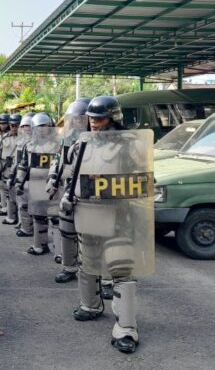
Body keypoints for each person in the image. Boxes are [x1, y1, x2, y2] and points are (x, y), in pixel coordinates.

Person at [61, 96, 154, 354]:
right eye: (90, 118)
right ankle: (90, 305)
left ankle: (126, 327)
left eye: (99, 118)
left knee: (121, 267)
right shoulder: (82, 143)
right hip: (88, 213)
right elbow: (72, 173)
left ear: (113, 118)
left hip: (118, 215)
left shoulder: (130, 145)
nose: (93, 123)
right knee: (88, 262)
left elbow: (144, 181)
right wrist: (67, 196)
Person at [46, 98, 90, 283]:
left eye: (81, 119)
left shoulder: (99, 141)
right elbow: (57, 160)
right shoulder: (67, 139)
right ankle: (69, 267)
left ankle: (101, 276)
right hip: (68, 191)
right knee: (66, 230)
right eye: (75, 119)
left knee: (90, 237)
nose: (77, 123)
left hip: (89, 193)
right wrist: (52, 178)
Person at [15, 112, 59, 256]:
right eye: (38, 127)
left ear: (50, 126)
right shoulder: (30, 146)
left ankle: (60, 252)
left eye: (44, 126)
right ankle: (40, 245)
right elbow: (23, 165)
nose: (41, 129)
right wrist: (19, 182)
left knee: (56, 218)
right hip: (35, 184)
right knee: (38, 217)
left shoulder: (59, 144)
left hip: (55, 185)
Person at [13, 114, 34, 237]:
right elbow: (19, 161)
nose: (26, 128)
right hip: (22, 175)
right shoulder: (21, 141)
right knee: (22, 202)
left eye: (28, 125)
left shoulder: (37, 142)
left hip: (35, 178)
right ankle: (24, 225)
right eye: (24, 125)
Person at [0, 114, 20, 225]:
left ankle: (23, 221)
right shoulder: (4, 138)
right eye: (12, 125)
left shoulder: (24, 138)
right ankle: (11, 217)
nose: (14, 128)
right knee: (9, 193)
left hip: (21, 168)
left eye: (16, 125)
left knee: (21, 196)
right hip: (7, 167)